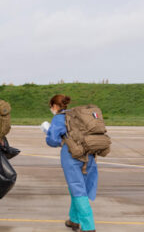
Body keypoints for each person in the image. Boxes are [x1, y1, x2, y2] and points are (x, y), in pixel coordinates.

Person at [46, 94, 98, 232]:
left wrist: (50, 133)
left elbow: (52, 140)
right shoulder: (78, 115)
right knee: (80, 188)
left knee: (77, 189)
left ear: (55, 106)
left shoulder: (59, 118)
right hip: (89, 155)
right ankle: (74, 220)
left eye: (51, 106)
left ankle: (89, 227)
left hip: (72, 157)